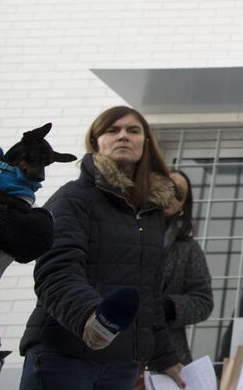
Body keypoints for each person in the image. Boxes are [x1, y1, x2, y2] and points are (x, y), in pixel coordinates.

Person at [20, 106, 186, 389]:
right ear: (96, 141)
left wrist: (165, 357)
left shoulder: (151, 214)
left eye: (133, 130)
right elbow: (56, 272)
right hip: (65, 358)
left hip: (123, 366)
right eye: (113, 130)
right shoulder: (74, 198)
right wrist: (90, 319)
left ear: (145, 143)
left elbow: (149, 295)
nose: (123, 136)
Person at [159, 170, 213, 364]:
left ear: (183, 205)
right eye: (166, 186)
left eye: (178, 192)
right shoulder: (124, 232)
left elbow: (203, 301)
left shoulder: (188, 248)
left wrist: (168, 308)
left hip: (168, 352)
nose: (170, 195)